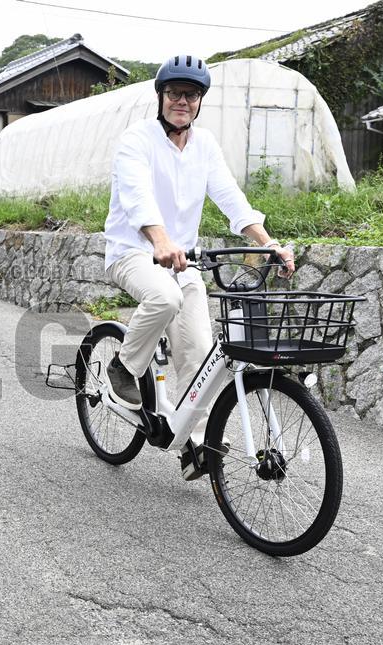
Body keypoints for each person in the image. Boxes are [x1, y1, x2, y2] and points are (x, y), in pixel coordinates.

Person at [102, 54, 296, 481]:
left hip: (182, 259)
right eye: (175, 93)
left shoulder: (205, 145)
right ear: (161, 96)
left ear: (200, 101)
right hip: (133, 251)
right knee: (165, 295)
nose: (182, 101)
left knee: (200, 355)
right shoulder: (137, 140)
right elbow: (138, 199)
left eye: (191, 95)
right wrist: (161, 240)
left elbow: (231, 198)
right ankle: (124, 366)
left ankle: (197, 445)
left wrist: (269, 244)